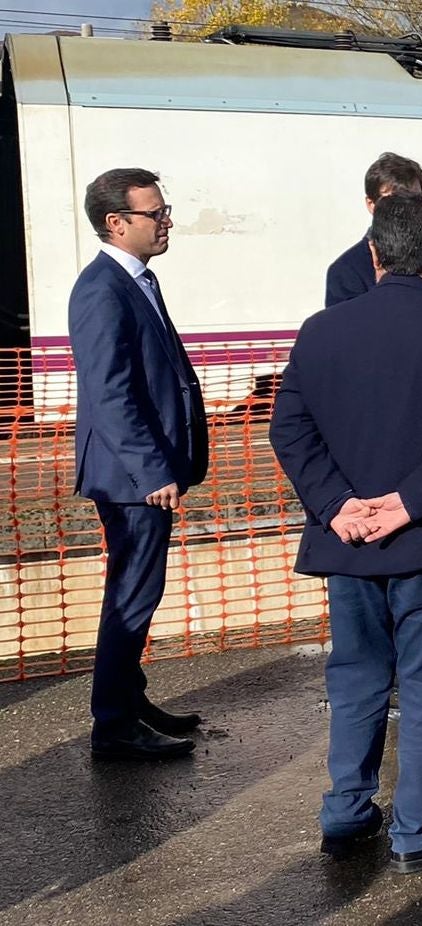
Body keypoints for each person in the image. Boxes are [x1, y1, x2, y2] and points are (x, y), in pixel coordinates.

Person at [270, 192, 422, 873]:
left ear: (374, 255)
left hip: (348, 544)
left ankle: (347, 813)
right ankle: (416, 832)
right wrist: (409, 502)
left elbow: (288, 427)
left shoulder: (321, 329)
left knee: (356, 679)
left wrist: (338, 505)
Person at [68, 168, 208, 761]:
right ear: (116, 223)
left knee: (137, 591)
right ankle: (114, 725)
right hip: (132, 481)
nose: (167, 221)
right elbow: (111, 394)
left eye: (164, 210)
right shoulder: (103, 288)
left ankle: (131, 700)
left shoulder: (134, 280)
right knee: (132, 596)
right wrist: (153, 472)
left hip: (138, 474)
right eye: (156, 213)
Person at [324, 152, 422, 307]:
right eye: (394, 200)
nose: (406, 208)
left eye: (414, 199)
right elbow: (345, 327)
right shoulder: (348, 270)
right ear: (371, 204)